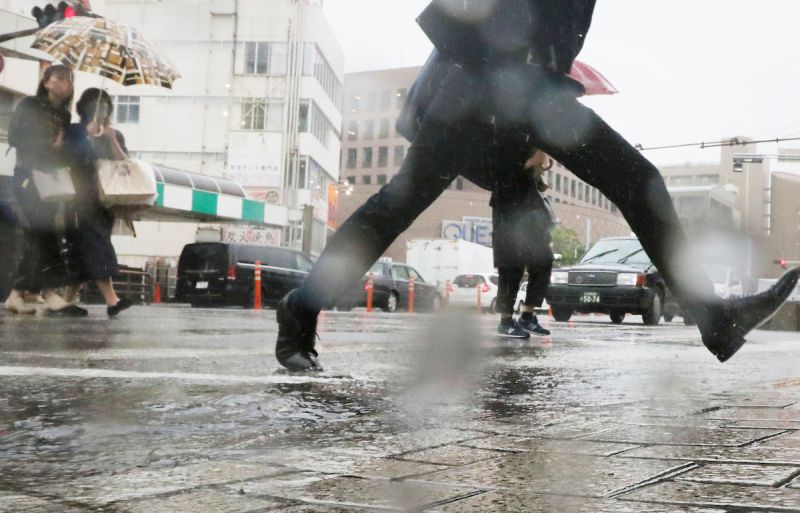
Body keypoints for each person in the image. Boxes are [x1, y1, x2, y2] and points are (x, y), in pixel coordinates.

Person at [274, 0, 800, 371]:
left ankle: (715, 321)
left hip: (532, 94)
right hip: (472, 88)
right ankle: (301, 308)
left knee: (638, 179)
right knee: (398, 204)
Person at [3, 64, 87, 317]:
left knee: (46, 232)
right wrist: (48, 144)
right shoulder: (30, 105)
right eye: (60, 78)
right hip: (28, 175)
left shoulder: (63, 115)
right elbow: (14, 137)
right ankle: (45, 293)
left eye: (70, 79)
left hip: (50, 178)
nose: (66, 84)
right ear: (47, 82)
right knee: (40, 232)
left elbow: (61, 150)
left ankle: (19, 294)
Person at [63, 88, 132, 318]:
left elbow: (124, 163)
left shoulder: (114, 133)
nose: (99, 108)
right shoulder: (74, 131)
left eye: (103, 104)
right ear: (84, 107)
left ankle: (64, 302)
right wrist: (87, 138)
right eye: (94, 104)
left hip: (104, 200)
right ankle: (113, 301)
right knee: (97, 245)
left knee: (81, 252)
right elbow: (69, 159)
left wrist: (111, 139)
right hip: (78, 198)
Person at [493, 148, 554, 338]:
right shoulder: (508, 150)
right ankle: (505, 321)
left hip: (531, 220)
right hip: (509, 219)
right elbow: (499, 177)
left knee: (543, 260)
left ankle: (527, 316)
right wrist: (528, 164)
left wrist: (538, 178)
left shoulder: (530, 165)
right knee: (512, 266)